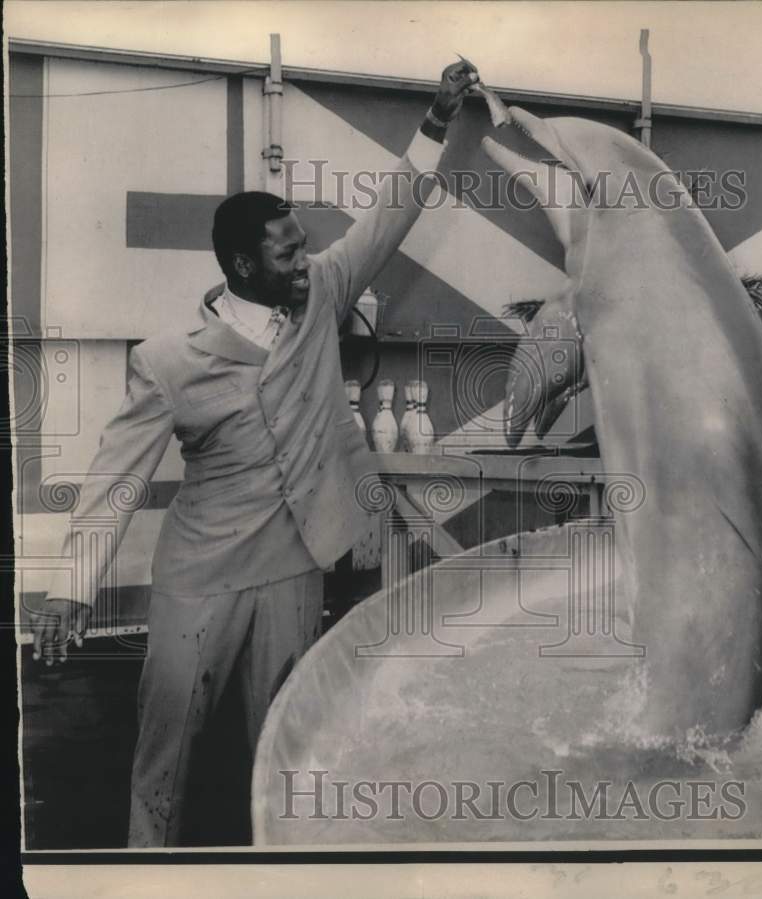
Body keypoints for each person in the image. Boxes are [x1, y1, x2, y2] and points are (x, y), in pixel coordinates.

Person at [30, 58, 479, 847]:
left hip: (297, 566)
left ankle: (283, 866)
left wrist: (436, 120)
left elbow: (389, 215)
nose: (304, 261)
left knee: (290, 742)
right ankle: (145, 868)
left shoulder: (324, 293)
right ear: (242, 266)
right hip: (201, 577)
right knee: (166, 747)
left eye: (303, 247)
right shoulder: (170, 361)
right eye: (285, 255)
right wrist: (71, 590)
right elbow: (113, 481)